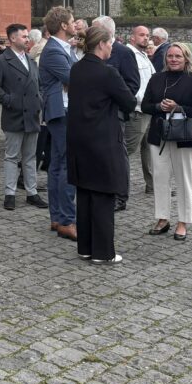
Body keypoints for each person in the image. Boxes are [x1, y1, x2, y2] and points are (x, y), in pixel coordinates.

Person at [67, 26, 137, 264]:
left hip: (79, 140)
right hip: (103, 141)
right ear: (101, 44)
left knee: (85, 194)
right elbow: (128, 102)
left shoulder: (76, 69)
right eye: (110, 43)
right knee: (104, 197)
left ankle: (85, 248)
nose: (111, 47)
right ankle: (103, 253)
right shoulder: (108, 73)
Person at [142, 43, 192, 242]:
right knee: (160, 178)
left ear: (186, 58)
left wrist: (178, 108)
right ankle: (162, 218)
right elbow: (145, 105)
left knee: (184, 179)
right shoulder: (156, 78)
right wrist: (159, 106)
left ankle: (183, 222)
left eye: (178, 56)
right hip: (159, 136)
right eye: (170, 56)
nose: (173, 59)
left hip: (185, 137)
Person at [0, 24, 46, 209]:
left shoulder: (31, 60)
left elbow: (38, 85)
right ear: (12, 39)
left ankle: (32, 192)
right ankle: (10, 193)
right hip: (14, 114)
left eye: (27, 36)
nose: (27, 39)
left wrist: (40, 101)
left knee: (30, 157)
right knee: (12, 157)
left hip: (32, 114)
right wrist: (9, 100)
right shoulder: (1, 60)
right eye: (23, 36)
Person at [92, 16, 140, 210]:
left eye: (93, 29)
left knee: (118, 155)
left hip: (115, 113)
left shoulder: (123, 52)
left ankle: (120, 196)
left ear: (106, 32)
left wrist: (113, 99)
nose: (89, 32)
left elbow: (133, 84)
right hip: (95, 114)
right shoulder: (92, 52)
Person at [40, 6, 77, 241]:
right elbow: (75, 79)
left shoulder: (63, 48)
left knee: (56, 165)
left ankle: (57, 217)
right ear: (63, 25)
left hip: (63, 109)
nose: (75, 25)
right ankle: (66, 220)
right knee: (67, 165)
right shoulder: (54, 50)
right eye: (72, 21)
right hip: (61, 111)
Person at [125, 25, 156, 197]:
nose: (146, 38)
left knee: (149, 149)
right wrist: (144, 102)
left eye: (147, 35)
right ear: (132, 38)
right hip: (138, 111)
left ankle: (152, 185)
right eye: (141, 35)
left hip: (148, 110)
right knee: (127, 150)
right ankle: (117, 187)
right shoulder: (130, 56)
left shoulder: (143, 55)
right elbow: (133, 84)